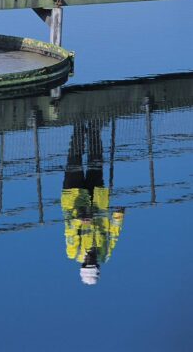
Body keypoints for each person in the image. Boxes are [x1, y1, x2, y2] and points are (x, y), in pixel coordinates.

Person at [61, 120, 125, 285]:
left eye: (88, 263)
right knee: (96, 161)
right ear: (97, 266)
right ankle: (95, 126)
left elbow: (70, 229)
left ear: (83, 264)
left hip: (74, 199)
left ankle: (78, 125)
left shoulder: (73, 252)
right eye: (94, 264)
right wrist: (118, 216)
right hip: (97, 200)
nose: (91, 260)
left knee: (74, 159)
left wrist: (80, 219)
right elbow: (113, 235)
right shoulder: (105, 254)